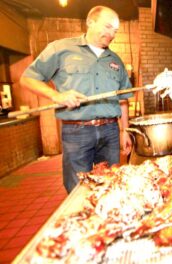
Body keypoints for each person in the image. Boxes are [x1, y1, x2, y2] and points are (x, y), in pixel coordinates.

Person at [20, 6, 132, 193]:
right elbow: (27, 78)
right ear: (90, 22)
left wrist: (124, 131)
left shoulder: (115, 60)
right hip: (77, 131)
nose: (112, 34)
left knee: (111, 184)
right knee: (78, 187)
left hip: (110, 131)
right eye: (107, 27)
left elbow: (123, 99)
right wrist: (57, 95)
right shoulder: (61, 49)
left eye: (115, 30)